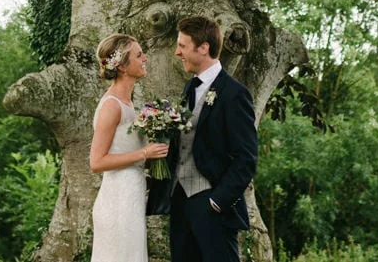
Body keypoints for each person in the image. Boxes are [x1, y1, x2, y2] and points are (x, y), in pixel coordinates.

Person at [168, 15, 258, 262]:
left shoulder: (235, 94)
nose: (177, 53)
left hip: (213, 206)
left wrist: (217, 201)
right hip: (181, 203)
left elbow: (246, 158)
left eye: (182, 46)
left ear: (204, 47)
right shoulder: (189, 88)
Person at [90, 33, 171, 262]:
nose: (144, 58)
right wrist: (145, 153)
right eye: (138, 55)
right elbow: (97, 162)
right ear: (123, 66)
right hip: (117, 200)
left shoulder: (128, 103)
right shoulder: (111, 106)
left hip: (131, 195)